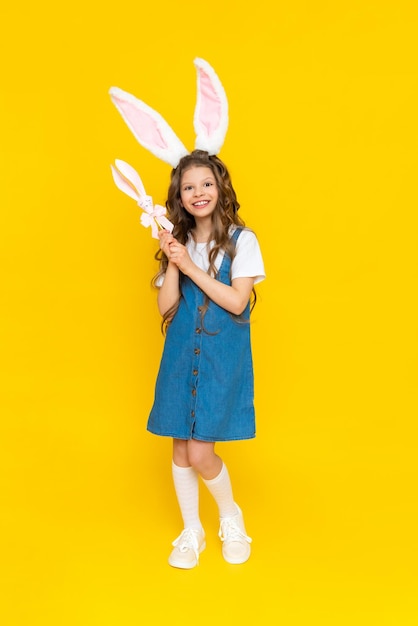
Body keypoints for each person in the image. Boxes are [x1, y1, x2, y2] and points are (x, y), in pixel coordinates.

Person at [147, 149, 265, 568]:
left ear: (221, 188)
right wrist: (174, 259)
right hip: (180, 356)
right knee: (180, 449)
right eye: (189, 187)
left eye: (206, 184)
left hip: (220, 359)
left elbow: (236, 301)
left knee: (200, 452)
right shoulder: (178, 242)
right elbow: (166, 307)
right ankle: (191, 530)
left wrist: (193, 268)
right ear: (179, 197)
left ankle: (231, 517)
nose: (198, 193)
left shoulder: (241, 241)